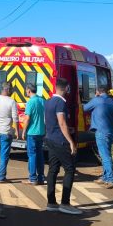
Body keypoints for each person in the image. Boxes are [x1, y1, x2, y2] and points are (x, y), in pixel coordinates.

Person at [44, 78, 80, 215]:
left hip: (50, 139)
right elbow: (62, 123)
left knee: (53, 169)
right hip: (60, 141)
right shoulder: (60, 103)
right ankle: (65, 203)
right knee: (70, 169)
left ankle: (51, 202)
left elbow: (50, 121)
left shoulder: (48, 102)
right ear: (66, 88)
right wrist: (71, 141)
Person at [83, 85, 113, 188]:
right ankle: (105, 177)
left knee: (105, 156)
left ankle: (111, 179)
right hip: (112, 132)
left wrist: (94, 98)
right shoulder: (112, 101)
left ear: (97, 92)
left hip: (101, 132)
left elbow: (84, 108)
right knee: (106, 154)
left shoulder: (97, 100)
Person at [21, 83, 45, 185]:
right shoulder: (42, 100)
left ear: (29, 91)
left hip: (32, 132)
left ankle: (32, 178)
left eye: (26, 91)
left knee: (32, 155)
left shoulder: (30, 102)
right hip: (41, 131)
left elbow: (27, 118)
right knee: (40, 155)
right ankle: (40, 177)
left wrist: (23, 131)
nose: (26, 92)